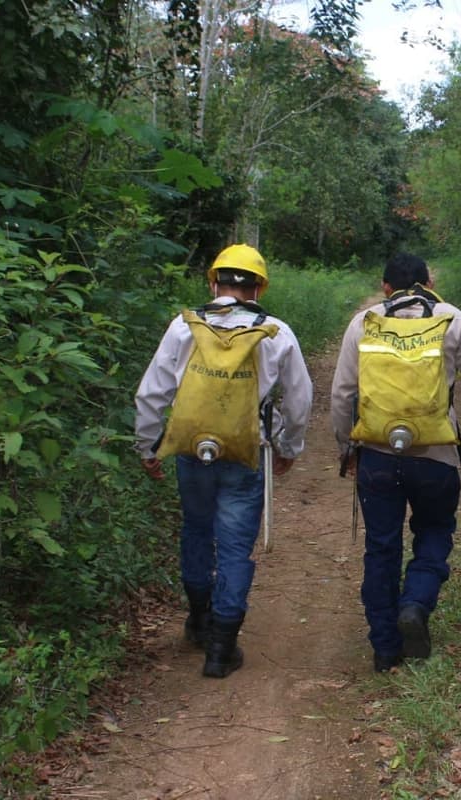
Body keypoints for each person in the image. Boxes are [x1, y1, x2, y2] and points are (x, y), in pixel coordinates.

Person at [134, 244, 313, 679]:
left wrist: (147, 445)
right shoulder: (275, 331)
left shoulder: (184, 326)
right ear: (257, 288)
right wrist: (289, 448)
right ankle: (221, 649)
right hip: (244, 453)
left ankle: (198, 619)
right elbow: (299, 399)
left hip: (192, 450)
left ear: (213, 283)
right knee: (234, 546)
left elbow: (152, 392)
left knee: (196, 530)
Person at [330, 253, 461, 673]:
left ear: (386, 287)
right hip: (437, 456)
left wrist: (346, 449)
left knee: (381, 546)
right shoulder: (454, 319)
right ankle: (416, 604)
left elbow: (341, 395)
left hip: (378, 457)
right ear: (428, 282)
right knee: (435, 530)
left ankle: (385, 647)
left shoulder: (364, 321)